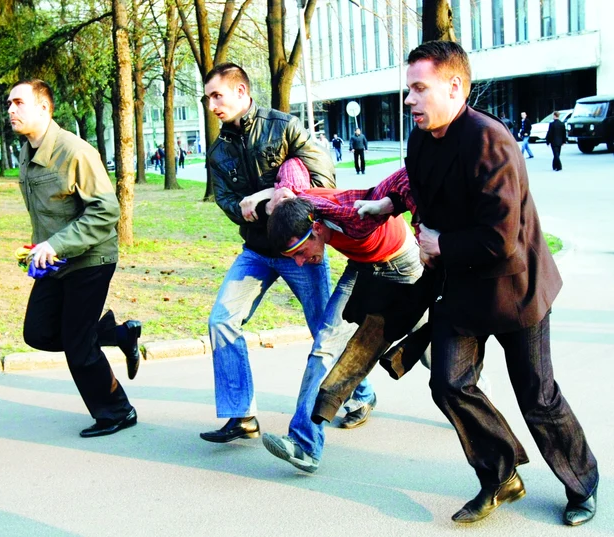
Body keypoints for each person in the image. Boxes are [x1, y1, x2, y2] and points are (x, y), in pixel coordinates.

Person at [400, 40, 598, 526]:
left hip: (516, 289)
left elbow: (501, 238)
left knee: (537, 395)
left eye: (419, 88)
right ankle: (501, 473)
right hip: (462, 288)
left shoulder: (491, 140)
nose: (410, 100)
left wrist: (439, 242)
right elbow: (423, 200)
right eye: (408, 90)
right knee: (448, 383)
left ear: (454, 87)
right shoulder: (421, 138)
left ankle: (582, 483)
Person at [199, 63, 361, 445]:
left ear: (241, 91)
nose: (212, 105)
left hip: (299, 251)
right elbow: (227, 201)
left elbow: (323, 181)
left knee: (324, 332)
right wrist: (258, 202)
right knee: (221, 320)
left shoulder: (284, 126)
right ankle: (241, 415)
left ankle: (360, 394)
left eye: (217, 95)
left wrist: (269, 198)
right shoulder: (219, 151)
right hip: (255, 251)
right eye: (207, 98)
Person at [261, 159, 426, 473]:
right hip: (362, 268)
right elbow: (294, 164)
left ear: (318, 230)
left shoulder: (355, 219)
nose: (299, 263)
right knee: (323, 344)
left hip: (405, 265)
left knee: (435, 351)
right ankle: (305, 445)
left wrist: (428, 225)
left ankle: (476, 393)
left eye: (299, 252)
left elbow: (409, 176)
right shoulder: (302, 209)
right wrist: (280, 192)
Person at [7, 79, 142, 438]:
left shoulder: (75, 151)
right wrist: (38, 248)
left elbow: (105, 211)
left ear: (44, 108)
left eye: (19, 102)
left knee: (78, 345)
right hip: (56, 261)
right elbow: (51, 211)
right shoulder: (26, 150)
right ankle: (120, 334)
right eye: (9, 103)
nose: (11, 110)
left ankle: (117, 411)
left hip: (92, 258)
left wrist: (56, 244)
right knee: (38, 332)